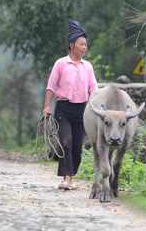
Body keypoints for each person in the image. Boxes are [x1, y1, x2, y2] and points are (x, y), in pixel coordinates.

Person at [43, 19, 98, 190]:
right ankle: (66, 179)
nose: (84, 47)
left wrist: (96, 108)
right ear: (72, 45)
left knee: (77, 148)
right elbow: (51, 86)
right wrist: (46, 106)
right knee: (65, 142)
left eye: (85, 45)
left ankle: (71, 176)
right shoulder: (60, 63)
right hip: (63, 108)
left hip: (81, 110)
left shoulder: (87, 67)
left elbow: (93, 89)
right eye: (81, 44)